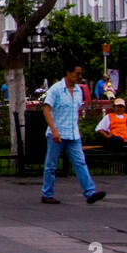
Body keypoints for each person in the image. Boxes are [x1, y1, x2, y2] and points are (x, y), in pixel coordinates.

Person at [41, 60, 106, 204]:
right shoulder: (56, 89)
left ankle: (90, 192)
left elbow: (75, 112)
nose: (79, 76)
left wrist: (77, 129)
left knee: (80, 162)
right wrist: (54, 130)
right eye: (77, 73)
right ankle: (47, 193)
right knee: (51, 165)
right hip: (57, 133)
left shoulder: (78, 91)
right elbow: (46, 109)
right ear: (68, 73)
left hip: (73, 134)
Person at [95, 98, 127, 166]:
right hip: (117, 138)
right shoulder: (108, 117)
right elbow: (99, 128)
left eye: (121, 107)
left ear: (124, 108)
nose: (119, 108)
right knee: (117, 140)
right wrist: (107, 136)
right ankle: (118, 162)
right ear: (114, 107)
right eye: (118, 106)